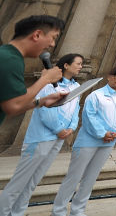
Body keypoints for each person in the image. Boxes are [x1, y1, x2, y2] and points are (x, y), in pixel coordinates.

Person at [0, 53, 82, 216]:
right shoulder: (48, 84)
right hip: (40, 138)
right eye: (78, 63)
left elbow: (76, 109)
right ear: (66, 65)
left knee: (33, 182)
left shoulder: (77, 86)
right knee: (19, 182)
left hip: (58, 139)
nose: (81, 66)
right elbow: (44, 110)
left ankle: (17, 212)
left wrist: (71, 128)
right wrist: (59, 129)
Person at [51, 64, 116, 216]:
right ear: (109, 76)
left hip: (108, 143)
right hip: (88, 142)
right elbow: (89, 117)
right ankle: (58, 211)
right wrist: (102, 133)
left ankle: (78, 210)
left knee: (90, 178)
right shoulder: (96, 95)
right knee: (74, 178)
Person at [0, 15, 66, 123]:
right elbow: (14, 106)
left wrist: (42, 101)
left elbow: (8, 105)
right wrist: (46, 79)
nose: (52, 44)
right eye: (53, 37)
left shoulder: (8, 55)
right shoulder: (10, 59)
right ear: (37, 35)